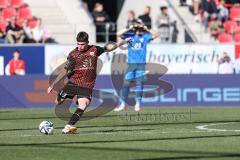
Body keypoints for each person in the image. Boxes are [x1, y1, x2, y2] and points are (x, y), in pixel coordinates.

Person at [47, 31, 131, 134]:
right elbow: (65, 70)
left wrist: (122, 42)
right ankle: (61, 95)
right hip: (73, 82)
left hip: (87, 85)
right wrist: (54, 84)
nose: (80, 46)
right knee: (58, 101)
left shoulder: (94, 49)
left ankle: (68, 126)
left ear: (87, 42)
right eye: (78, 44)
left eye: (82, 44)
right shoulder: (73, 54)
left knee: (83, 105)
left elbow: (108, 48)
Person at [115, 22, 158, 112]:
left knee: (139, 83)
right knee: (126, 84)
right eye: (136, 28)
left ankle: (138, 103)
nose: (138, 30)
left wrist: (145, 27)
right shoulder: (130, 36)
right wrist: (129, 27)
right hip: (131, 64)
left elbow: (156, 35)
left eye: (139, 28)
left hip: (141, 64)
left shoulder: (145, 37)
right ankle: (123, 104)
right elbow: (118, 34)